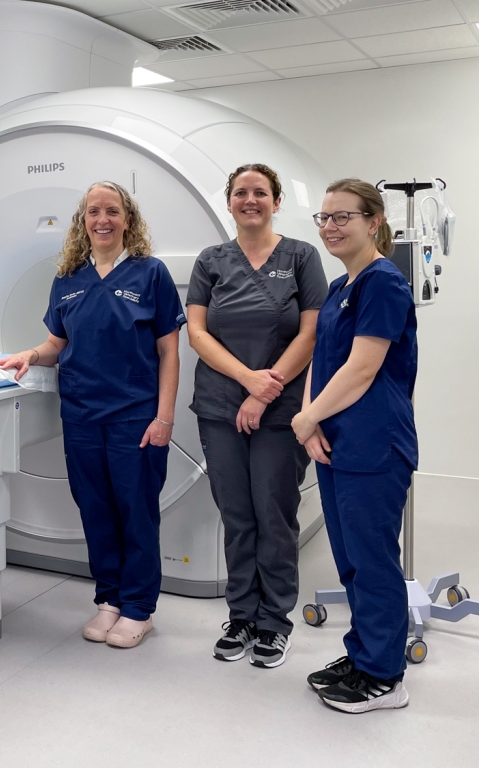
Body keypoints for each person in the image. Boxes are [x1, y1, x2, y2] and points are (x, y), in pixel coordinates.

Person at [0, 181, 184, 649]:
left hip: (134, 416)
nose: (102, 219)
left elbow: (170, 352)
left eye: (112, 211)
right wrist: (29, 356)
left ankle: (139, 607)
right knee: (95, 510)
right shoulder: (69, 277)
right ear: (83, 220)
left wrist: (164, 418)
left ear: (127, 220)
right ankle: (110, 600)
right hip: (80, 414)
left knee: (135, 511)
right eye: (94, 211)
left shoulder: (149, 274)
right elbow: (58, 344)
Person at [186, 164, 328, 668]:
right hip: (221, 405)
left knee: (274, 513)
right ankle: (242, 613)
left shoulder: (302, 257)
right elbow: (198, 334)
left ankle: (274, 621)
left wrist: (264, 393)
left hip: (281, 409)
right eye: (241, 193)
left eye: (260, 193)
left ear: (276, 201)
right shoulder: (212, 261)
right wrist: (247, 381)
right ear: (229, 203)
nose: (251, 200)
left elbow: (310, 335)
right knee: (237, 514)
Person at [293, 179, 417, 713]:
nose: (330, 227)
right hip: (335, 441)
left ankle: (386, 676)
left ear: (374, 222)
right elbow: (322, 363)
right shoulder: (341, 289)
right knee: (348, 561)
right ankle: (364, 652)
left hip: (374, 444)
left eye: (342, 216)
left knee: (373, 560)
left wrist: (305, 419)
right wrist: (310, 422)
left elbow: (363, 368)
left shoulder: (383, 283)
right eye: (323, 218)